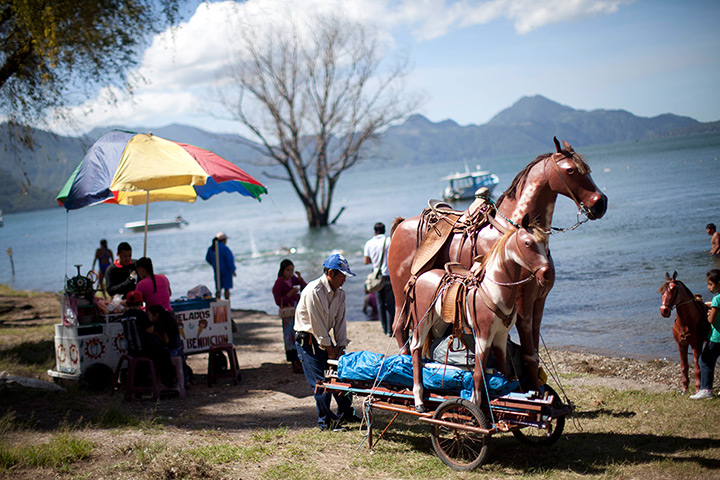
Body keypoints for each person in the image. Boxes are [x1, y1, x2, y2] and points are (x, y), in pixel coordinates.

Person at [294, 253, 359, 430]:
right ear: (330, 273)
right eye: (342, 276)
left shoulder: (340, 294)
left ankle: (346, 413)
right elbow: (317, 326)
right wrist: (331, 350)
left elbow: (340, 322)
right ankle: (326, 422)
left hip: (325, 340)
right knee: (321, 382)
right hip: (308, 340)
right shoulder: (313, 291)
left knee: (341, 376)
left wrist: (340, 346)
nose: (344, 280)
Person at [120, 291, 175, 386]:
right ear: (140, 303)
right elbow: (150, 330)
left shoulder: (124, 316)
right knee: (164, 354)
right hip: (145, 351)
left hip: (131, 351)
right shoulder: (141, 314)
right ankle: (168, 380)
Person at [272, 259, 306, 374]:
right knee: (289, 338)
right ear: (282, 270)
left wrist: (300, 279)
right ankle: (294, 363)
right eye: (288, 270)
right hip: (288, 315)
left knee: (298, 335)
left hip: (297, 312)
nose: (290, 272)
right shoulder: (279, 283)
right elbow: (278, 301)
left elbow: (305, 288)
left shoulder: (293, 279)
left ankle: (300, 361)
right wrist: (289, 295)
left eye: (292, 270)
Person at [691, 269, 720, 399]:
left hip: (716, 337)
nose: (708, 287)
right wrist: (707, 304)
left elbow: (711, 320)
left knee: (705, 361)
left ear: (718, 283)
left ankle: (706, 390)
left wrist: (708, 314)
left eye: (710, 284)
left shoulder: (717, 299)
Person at [148, 304, 191, 388]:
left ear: (156, 315)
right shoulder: (170, 320)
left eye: (150, 315)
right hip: (176, 348)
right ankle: (186, 381)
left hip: (170, 349)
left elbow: (166, 340)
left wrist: (155, 334)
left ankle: (168, 382)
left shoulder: (160, 324)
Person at [363, 222, 395, 336]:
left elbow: (366, 261)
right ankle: (391, 330)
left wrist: (376, 261)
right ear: (384, 230)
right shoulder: (389, 241)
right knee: (390, 303)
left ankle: (384, 328)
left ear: (374, 231)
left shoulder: (369, 243)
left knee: (380, 303)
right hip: (388, 275)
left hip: (376, 276)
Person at [206, 232, 236, 300]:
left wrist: (214, 265)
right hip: (226, 271)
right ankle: (227, 303)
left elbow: (208, 259)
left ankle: (217, 303)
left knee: (218, 289)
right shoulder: (225, 248)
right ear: (223, 240)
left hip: (217, 270)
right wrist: (233, 270)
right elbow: (229, 260)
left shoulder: (211, 248)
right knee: (226, 289)